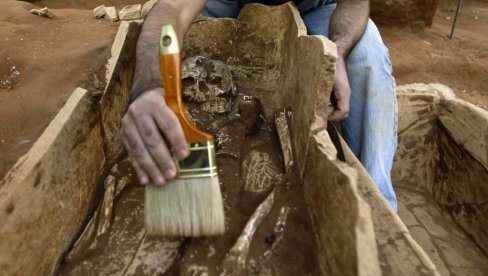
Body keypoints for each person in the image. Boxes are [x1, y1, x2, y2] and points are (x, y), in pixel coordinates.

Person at [119, 0, 398, 211]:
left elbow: (355, 3)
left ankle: (378, 210)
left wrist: (338, 48)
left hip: (317, 5)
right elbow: (172, 8)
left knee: (368, 59)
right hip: (228, 3)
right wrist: (151, 87)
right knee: (187, 50)